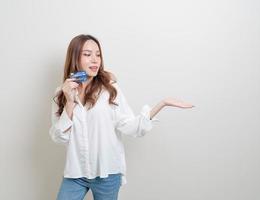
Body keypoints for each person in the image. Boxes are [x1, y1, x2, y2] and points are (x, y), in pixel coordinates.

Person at [49, 34, 194, 200]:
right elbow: (59, 137)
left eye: (98, 54)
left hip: (107, 173)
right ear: (75, 58)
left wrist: (162, 104)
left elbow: (130, 126)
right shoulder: (61, 93)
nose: (95, 60)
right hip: (76, 172)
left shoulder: (109, 90)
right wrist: (69, 101)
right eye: (87, 55)